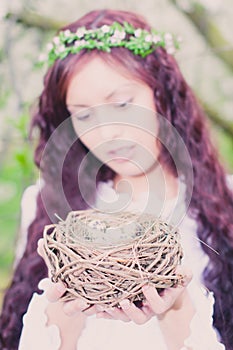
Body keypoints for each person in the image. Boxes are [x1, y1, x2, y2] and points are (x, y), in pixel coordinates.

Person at [0, 8, 233, 350]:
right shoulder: (43, 208)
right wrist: (64, 308)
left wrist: (175, 309)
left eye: (123, 104)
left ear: (162, 96)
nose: (107, 132)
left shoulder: (227, 202)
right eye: (84, 114)